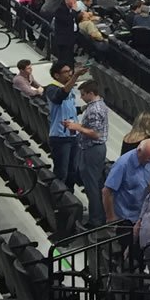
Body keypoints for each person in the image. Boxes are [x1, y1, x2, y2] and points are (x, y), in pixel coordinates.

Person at [64, 79, 110, 226]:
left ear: (91, 93)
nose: (81, 97)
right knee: (92, 184)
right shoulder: (96, 105)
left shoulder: (95, 109)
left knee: (92, 186)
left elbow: (95, 133)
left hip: (93, 150)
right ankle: (98, 216)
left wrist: (77, 127)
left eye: (83, 94)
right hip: (90, 149)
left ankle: (96, 220)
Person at [102, 138, 150, 225]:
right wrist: (110, 217)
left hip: (142, 215)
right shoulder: (122, 164)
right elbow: (106, 191)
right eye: (147, 158)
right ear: (139, 151)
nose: (149, 161)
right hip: (124, 218)